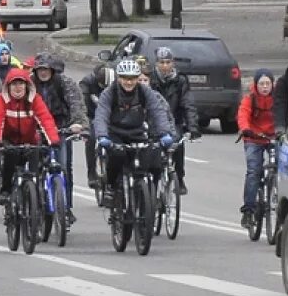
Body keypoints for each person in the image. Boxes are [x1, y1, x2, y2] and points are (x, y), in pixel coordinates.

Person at [92, 59, 175, 205]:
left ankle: (143, 202)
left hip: (137, 132)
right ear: (119, 78)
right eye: (125, 78)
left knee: (146, 162)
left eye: (132, 78)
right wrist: (102, 136)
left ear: (137, 78)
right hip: (115, 133)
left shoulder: (145, 92)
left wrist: (165, 133)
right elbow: (101, 115)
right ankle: (111, 187)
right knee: (117, 156)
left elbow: (158, 112)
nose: (129, 82)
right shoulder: (109, 93)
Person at [0, 68, 59, 205]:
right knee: (10, 161)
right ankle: (6, 191)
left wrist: (53, 140)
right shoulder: (2, 100)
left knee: (35, 171)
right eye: (14, 84)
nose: (18, 87)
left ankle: (35, 200)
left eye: (21, 83)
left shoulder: (35, 99)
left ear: (27, 85)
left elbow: (46, 119)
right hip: (10, 141)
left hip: (30, 141)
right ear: (8, 86)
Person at [30, 52, 87, 218]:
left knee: (63, 167)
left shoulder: (65, 83)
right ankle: (32, 201)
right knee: (32, 167)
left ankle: (66, 208)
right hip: (35, 128)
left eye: (46, 69)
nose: (43, 72)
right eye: (40, 69)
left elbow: (76, 104)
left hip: (60, 128)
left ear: (53, 70)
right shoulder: (29, 84)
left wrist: (78, 123)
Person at [148, 46, 200, 195]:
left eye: (168, 62)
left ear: (173, 63)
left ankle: (179, 177)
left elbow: (188, 104)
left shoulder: (180, 81)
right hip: (154, 122)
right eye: (162, 62)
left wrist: (193, 127)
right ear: (156, 63)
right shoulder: (151, 79)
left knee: (178, 143)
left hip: (174, 121)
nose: (165, 66)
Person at [238, 69, 276, 227]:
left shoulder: (277, 99)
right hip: (253, 138)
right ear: (256, 85)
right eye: (262, 84)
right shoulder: (250, 99)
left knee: (281, 168)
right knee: (254, 171)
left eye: (268, 83)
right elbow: (243, 114)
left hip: (274, 137)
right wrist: (245, 128)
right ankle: (248, 210)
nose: (265, 87)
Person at [78, 64, 112, 189]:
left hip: (109, 117)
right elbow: (81, 104)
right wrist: (83, 124)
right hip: (91, 115)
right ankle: (91, 173)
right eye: (102, 86)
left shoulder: (114, 83)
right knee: (91, 139)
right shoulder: (87, 83)